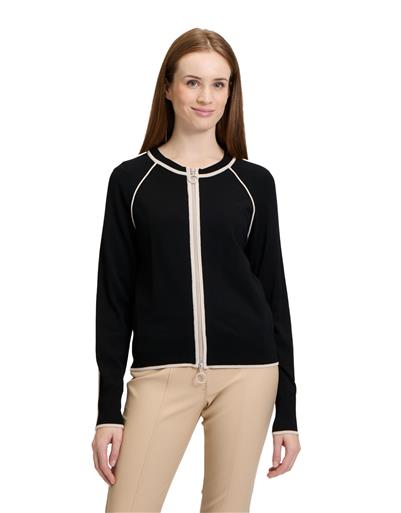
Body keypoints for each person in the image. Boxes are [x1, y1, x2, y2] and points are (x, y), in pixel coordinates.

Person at [91, 27, 301, 513]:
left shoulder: (254, 183)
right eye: (192, 82)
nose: (206, 97)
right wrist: (107, 410)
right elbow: (113, 298)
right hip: (161, 374)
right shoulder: (131, 181)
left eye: (218, 84)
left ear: (230, 93)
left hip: (249, 374)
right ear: (168, 87)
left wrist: (287, 412)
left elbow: (274, 293)